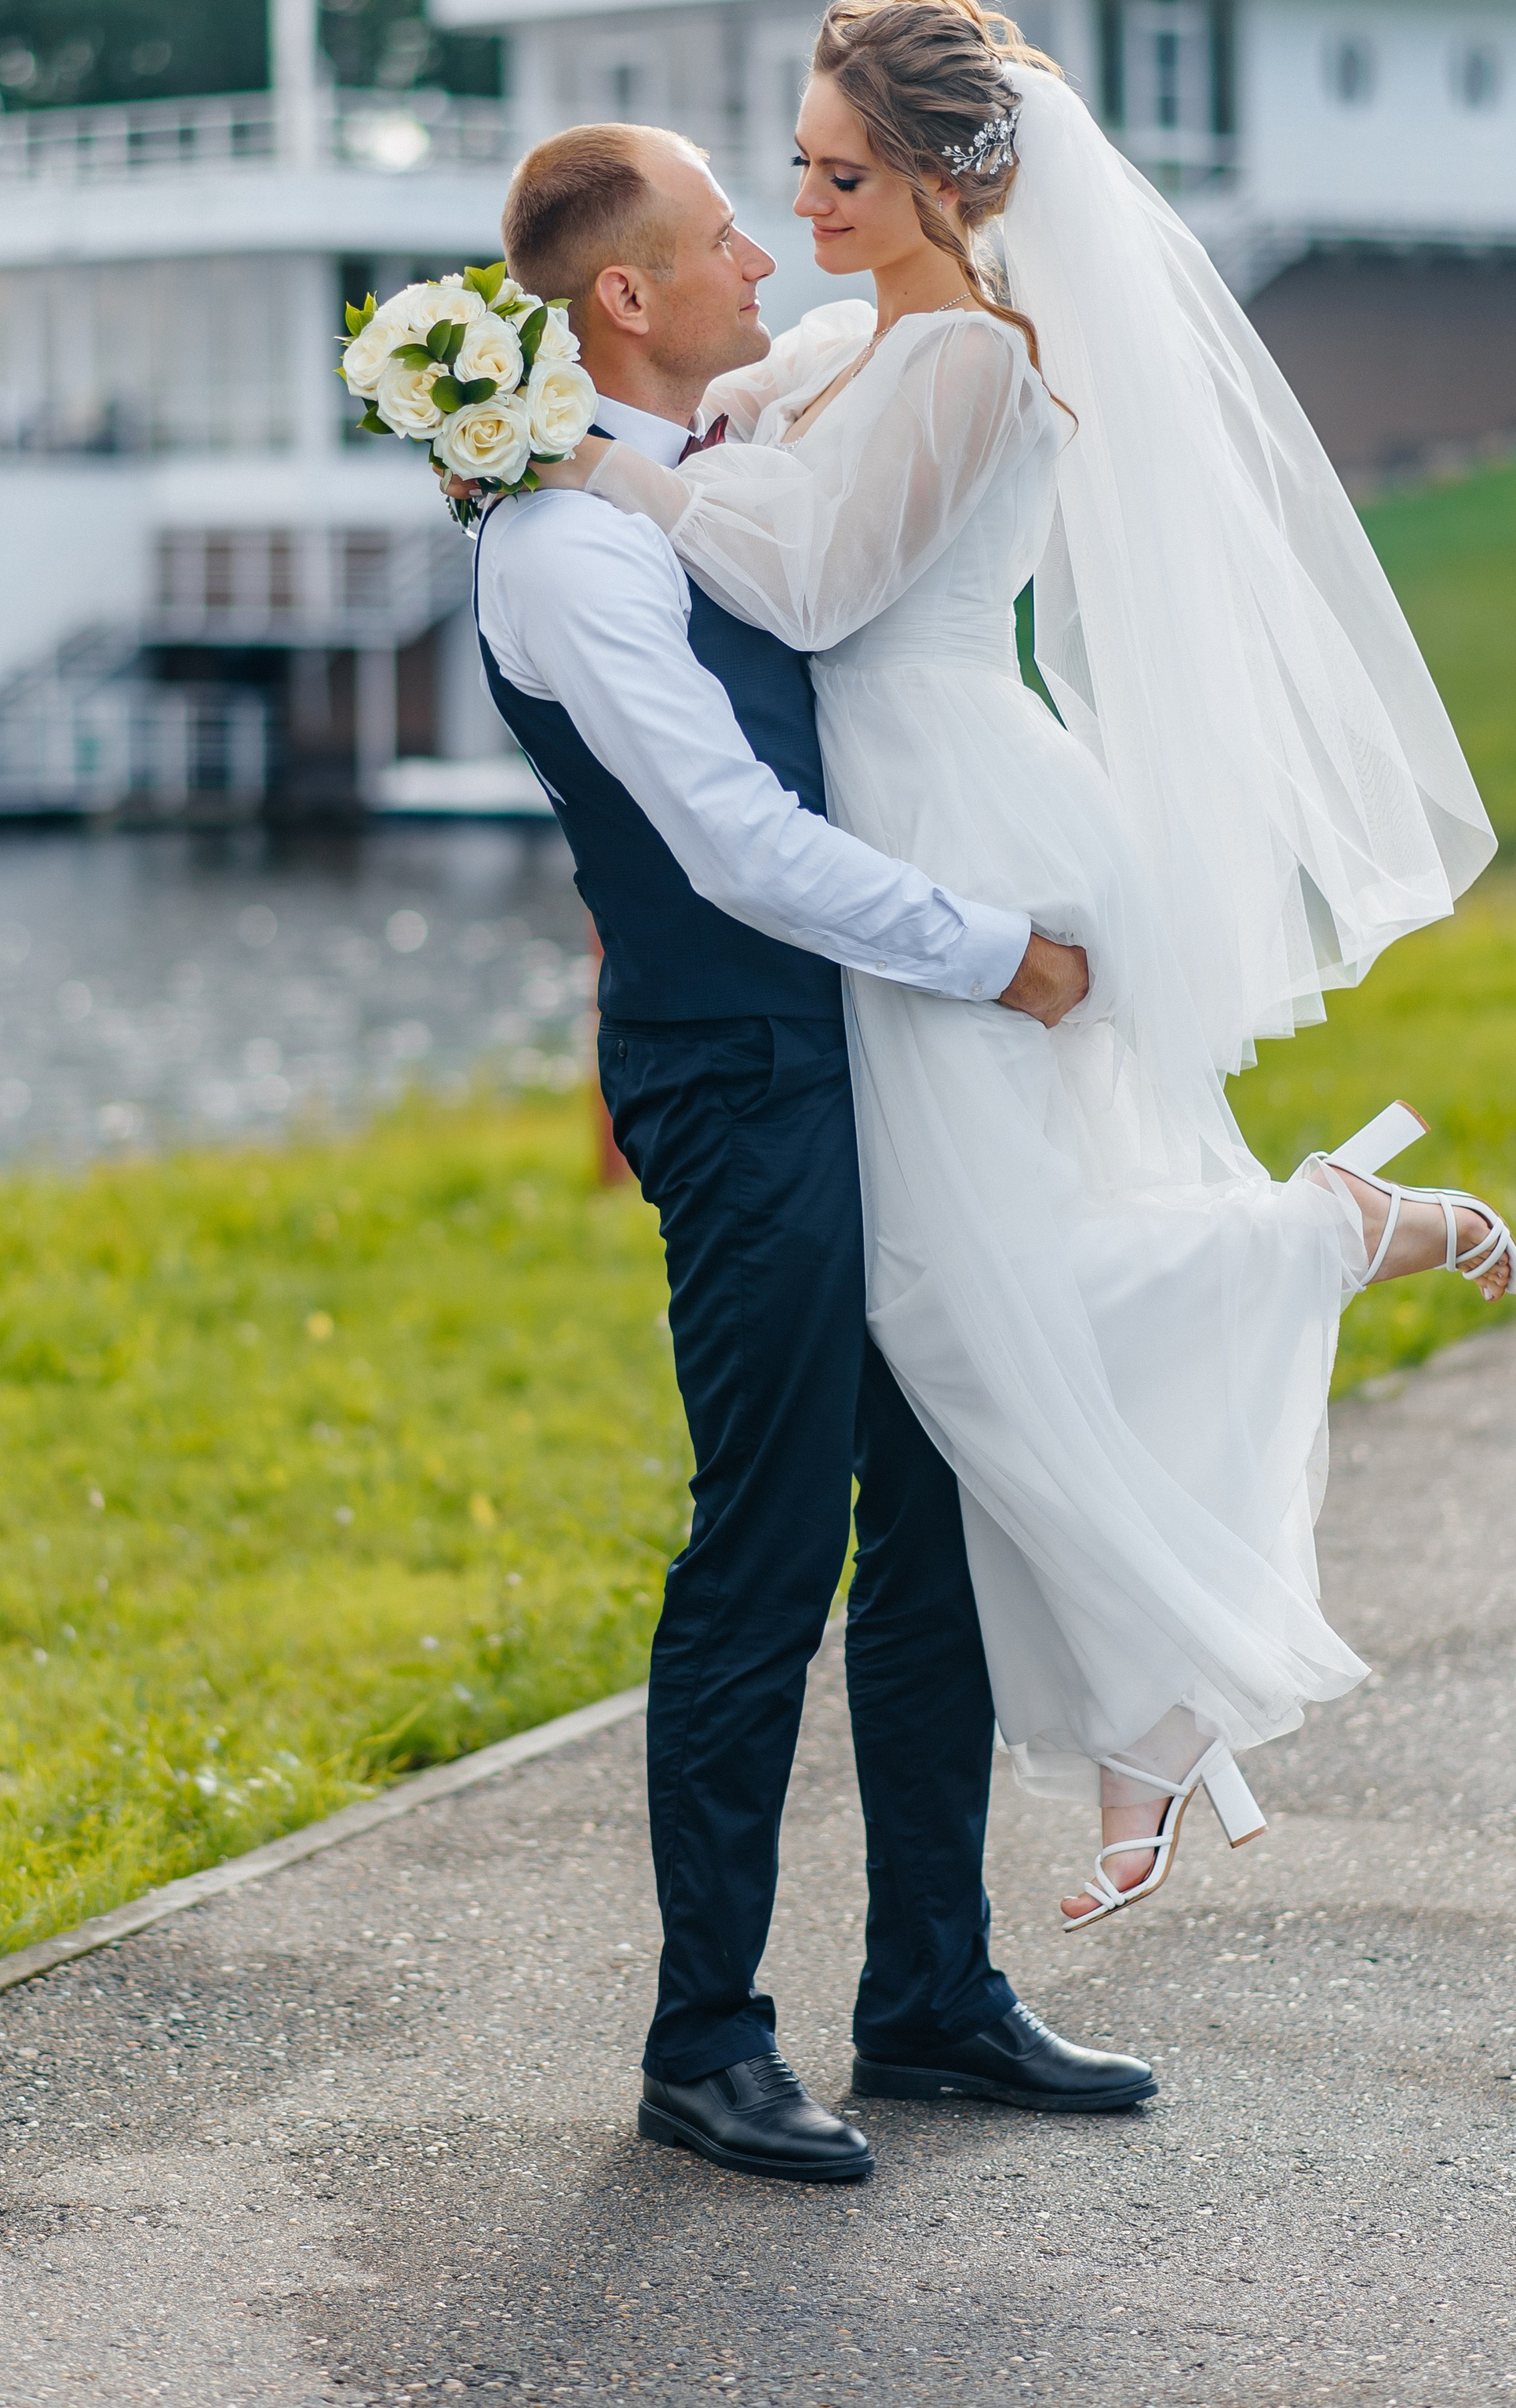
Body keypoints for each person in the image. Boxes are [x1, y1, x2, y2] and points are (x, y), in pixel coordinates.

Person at [539, 0, 1516, 1936]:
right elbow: (756, 434)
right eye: (797, 167)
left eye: (837, 174)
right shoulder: (844, 342)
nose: (800, 203)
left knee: (967, 1296)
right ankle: (1149, 1711)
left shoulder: (977, 364)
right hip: (894, 829)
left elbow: (814, 582)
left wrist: (598, 467)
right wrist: (646, 419)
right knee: (965, 1301)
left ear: (936, 184)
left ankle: (1327, 1231)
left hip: (961, 824)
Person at [476, 121, 1158, 2185]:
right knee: (768, 1542)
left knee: (933, 1492)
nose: (765, 254)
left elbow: (829, 436)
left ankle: (931, 1992)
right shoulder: (567, 551)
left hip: (851, 1045)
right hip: (742, 1065)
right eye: (720, 234)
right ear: (624, 296)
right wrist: (996, 957)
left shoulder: (678, 467)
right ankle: (705, 2038)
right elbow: (735, 847)